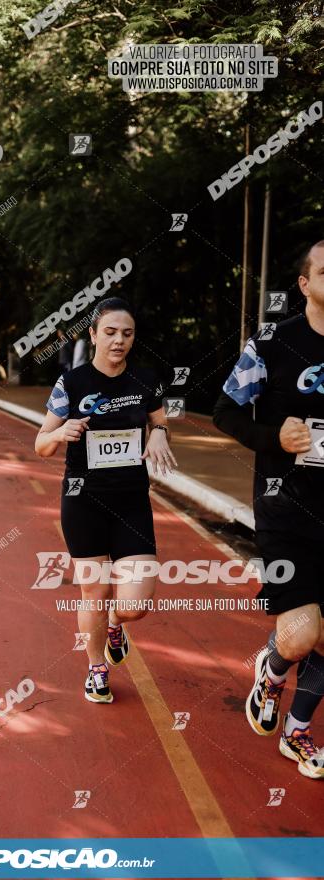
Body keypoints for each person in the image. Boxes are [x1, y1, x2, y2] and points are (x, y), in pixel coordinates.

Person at [214, 240, 324, 780]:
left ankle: (297, 733)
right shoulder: (275, 343)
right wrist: (273, 437)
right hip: (286, 504)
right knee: (303, 633)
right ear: (304, 284)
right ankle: (273, 666)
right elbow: (225, 412)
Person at [35, 297, 176, 703]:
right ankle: (97, 668)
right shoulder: (72, 384)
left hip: (131, 503)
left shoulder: (146, 380)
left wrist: (161, 433)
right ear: (93, 335)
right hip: (83, 502)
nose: (118, 341)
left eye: (127, 334)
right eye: (110, 332)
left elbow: (159, 420)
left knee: (135, 605)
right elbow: (41, 444)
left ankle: (116, 622)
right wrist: (61, 434)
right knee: (93, 592)